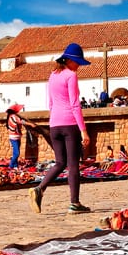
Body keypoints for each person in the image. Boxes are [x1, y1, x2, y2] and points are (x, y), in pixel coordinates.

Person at [29, 43, 92, 215]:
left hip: (54, 124)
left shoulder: (52, 75)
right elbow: (74, 104)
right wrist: (83, 130)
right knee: (73, 165)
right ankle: (74, 203)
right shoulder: (70, 76)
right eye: (77, 62)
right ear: (70, 60)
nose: (78, 66)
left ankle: (39, 189)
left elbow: (50, 103)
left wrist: (54, 119)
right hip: (69, 124)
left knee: (60, 163)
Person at [6, 103, 35, 168]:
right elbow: (21, 122)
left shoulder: (11, 116)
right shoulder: (13, 116)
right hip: (14, 137)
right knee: (17, 153)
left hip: (16, 137)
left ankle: (15, 166)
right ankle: (10, 166)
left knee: (15, 153)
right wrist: (30, 124)